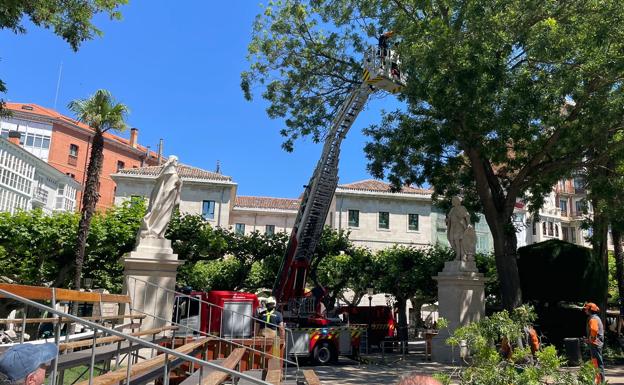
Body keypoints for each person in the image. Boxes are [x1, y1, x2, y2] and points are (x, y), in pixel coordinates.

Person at [583, 302, 605, 384]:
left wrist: (591, 339)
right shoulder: (597, 318)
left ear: (590, 310)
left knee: (597, 363)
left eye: (586, 309)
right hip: (596, 343)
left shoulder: (593, 319)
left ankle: (600, 382)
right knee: (596, 362)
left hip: (595, 344)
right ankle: (598, 381)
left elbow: (594, 330)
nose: (585, 310)